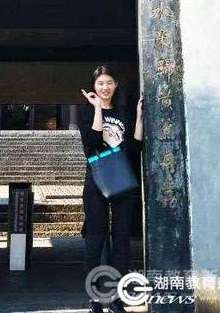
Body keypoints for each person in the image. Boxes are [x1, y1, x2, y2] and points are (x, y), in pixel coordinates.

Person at [78, 64, 144, 313]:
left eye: (109, 82)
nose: (105, 87)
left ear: (116, 85)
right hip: (96, 181)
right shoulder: (86, 113)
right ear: (94, 87)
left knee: (122, 239)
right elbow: (92, 144)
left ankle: (117, 298)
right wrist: (97, 108)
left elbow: (135, 149)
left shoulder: (123, 113)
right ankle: (95, 299)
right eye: (100, 83)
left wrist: (138, 118)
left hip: (122, 181)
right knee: (95, 239)